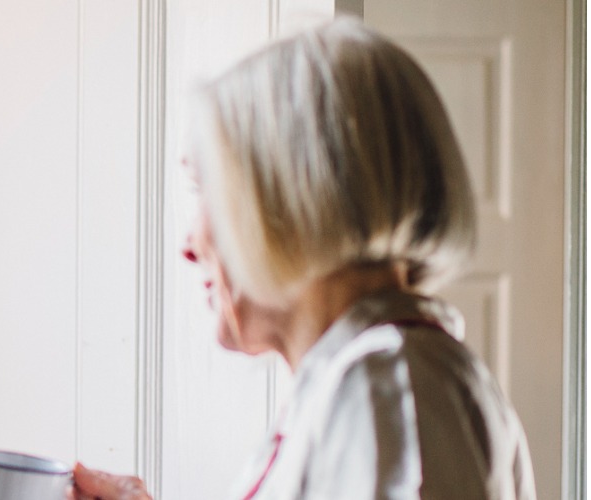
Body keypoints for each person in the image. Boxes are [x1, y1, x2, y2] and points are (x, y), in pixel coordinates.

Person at [75, 19, 534, 500]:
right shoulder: (372, 383)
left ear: (292, 198)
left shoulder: (384, 388)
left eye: (205, 188)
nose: (189, 245)